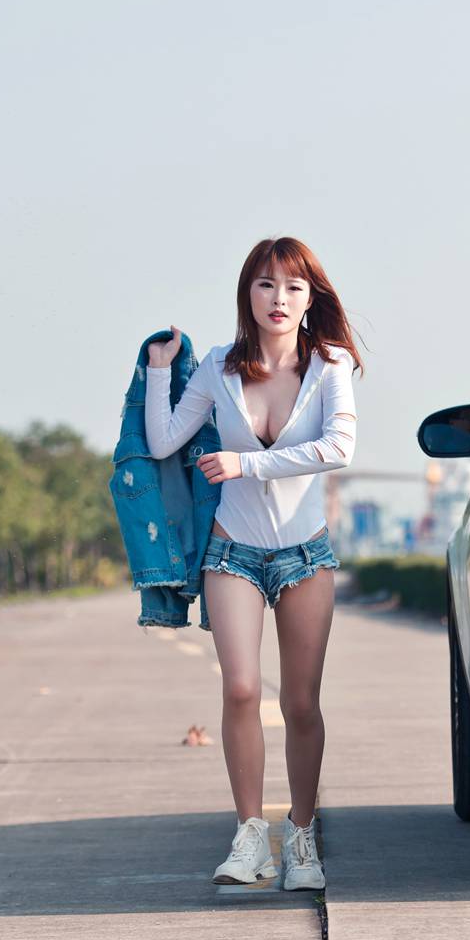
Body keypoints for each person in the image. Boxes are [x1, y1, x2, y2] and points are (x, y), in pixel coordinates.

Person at [145, 236, 362, 889]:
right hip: (231, 551)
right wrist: (160, 370)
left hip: (306, 554)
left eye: (293, 287)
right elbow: (163, 440)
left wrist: (248, 463)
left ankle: (300, 837)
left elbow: (338, 448)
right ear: (248, 292)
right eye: (266, 285)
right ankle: (248, 839)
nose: (279, 298)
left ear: (310, 298)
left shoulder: (331, 365)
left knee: (300, 702)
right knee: (240, 688)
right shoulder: (217, 367)